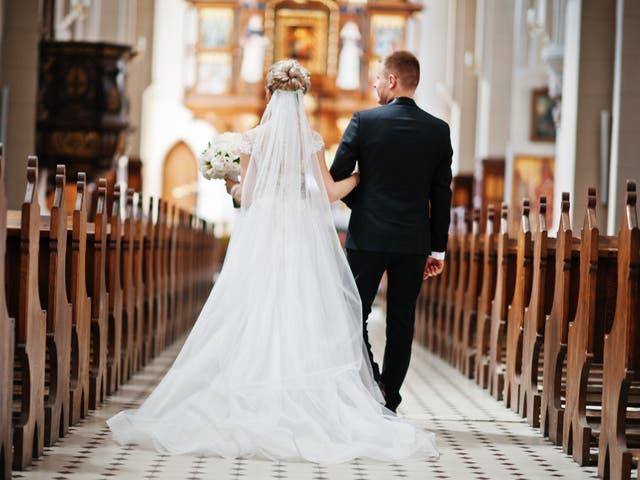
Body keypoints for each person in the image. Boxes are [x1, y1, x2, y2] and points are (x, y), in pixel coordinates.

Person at [107, 59, 438, 463]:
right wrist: (362, 179)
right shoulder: (312, 140)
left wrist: (230, 184)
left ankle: (252, 389)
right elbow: (329, 193)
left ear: (268, 95)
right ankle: (326, 397)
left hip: (264, 229)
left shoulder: (251, 140)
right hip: (300, 229)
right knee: (301, 307)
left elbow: (245, 195)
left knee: (257, 306)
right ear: (301, 97)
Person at [330, 50, 453, 413]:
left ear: (392, 81)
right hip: (414, 242)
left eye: (378, 78)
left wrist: (365, 205)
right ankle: (390, 398)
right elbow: (441, 193)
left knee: (354, 312)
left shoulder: (365, 122)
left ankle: (370, 382)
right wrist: (437, 249)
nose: (374, 84)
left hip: (368, 236)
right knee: (402, 320)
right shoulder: (438, 130)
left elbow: (337, 176)